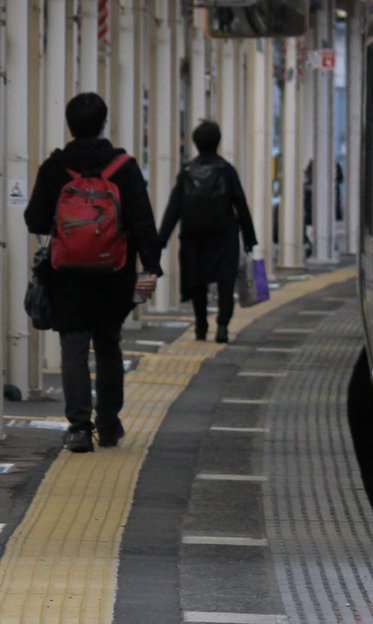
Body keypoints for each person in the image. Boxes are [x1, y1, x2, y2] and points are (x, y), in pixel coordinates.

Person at [24, 92, 162, 453]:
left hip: (66, 274)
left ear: (70, 125)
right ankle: (109, 423)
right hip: (114, 272)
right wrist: (150, 265)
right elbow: (143, 221)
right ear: (104, 123)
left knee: (73, 345)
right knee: (107, 344)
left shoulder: (56, 167)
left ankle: (80, 428)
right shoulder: (123, 167)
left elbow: (34, 219)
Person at [158, 120, 258, 345]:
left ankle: (201, 326)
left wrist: (161, 239)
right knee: (225, 282)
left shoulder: (186, 171)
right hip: (224, 236)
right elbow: (240, 204)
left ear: (195, 142)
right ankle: (222, 325)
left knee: (197, 282)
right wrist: (249, 239)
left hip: (194, 237)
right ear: (217, 142)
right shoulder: (226, 170)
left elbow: (174, 207)